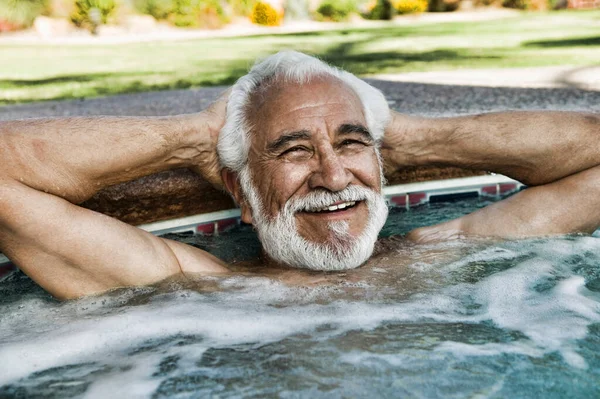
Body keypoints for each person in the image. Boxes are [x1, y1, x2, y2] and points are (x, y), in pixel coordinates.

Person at [0, 51, 598, 300]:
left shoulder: (443, 251)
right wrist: (186, 137)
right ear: (242, 192)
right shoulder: (199, 285)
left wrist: (406, 140)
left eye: (350, 144)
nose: (335, 177)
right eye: (293, 151)